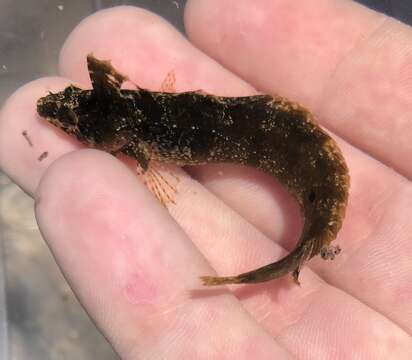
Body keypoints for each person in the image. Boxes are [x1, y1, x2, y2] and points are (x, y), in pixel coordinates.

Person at [1, 1, 412, 358]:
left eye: (71, 121)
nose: (63, 118)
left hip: (241, 133)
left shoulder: (131, 138)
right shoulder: (127, 115)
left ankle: (303, 250)